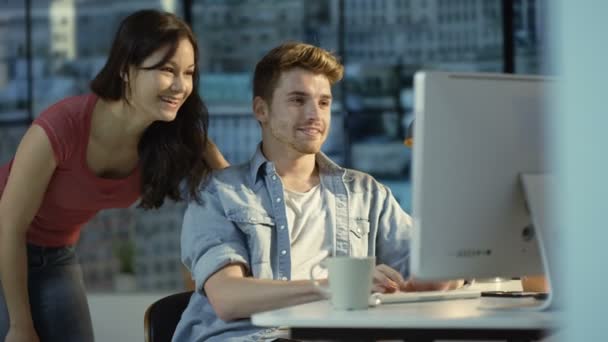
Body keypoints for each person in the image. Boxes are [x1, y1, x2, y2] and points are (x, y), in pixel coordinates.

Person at [174, 41, 460, 342]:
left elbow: (433, 266)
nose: (315, 114)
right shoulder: (220, 192)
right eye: (298, 100)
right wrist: (337, 285)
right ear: (262, 110)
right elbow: (228, 297)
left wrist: (437, 277)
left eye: (324, 102)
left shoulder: (366, 194)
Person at [0, 9, 229, 342]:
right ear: (126, 69)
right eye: (167, 70)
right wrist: (21, 326)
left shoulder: (171, 136)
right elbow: (9, 225)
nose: (181, 86)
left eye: (189, 73)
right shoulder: (62, 126)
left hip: (57, 253)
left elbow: (231, 191)